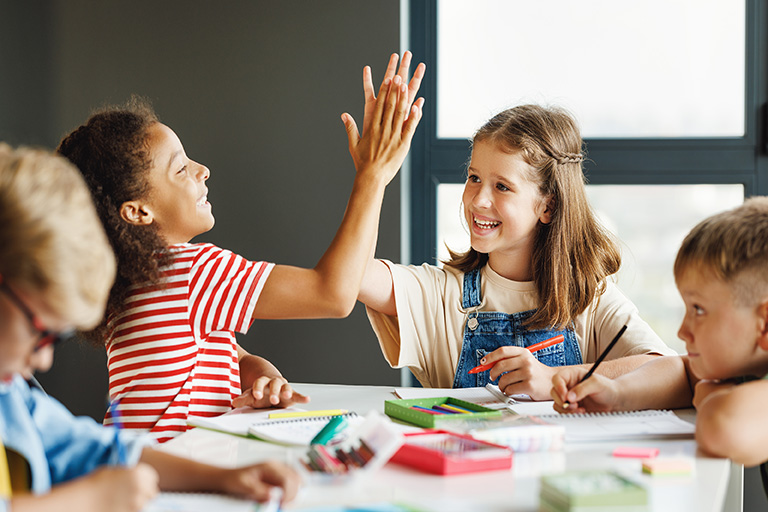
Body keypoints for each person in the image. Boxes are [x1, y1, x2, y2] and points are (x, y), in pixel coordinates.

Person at [57, 52, 425, 442]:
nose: (203, 170)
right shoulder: (187, 272)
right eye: (181, 169)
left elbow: (230, 356)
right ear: (137, 211)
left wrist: (264, 377)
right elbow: (332, 294)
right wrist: (373, 175)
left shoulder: (141, 282)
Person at [0, 144, 300, 511]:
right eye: (40, 332)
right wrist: (90, 500)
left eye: (55, 340)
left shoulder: (12, 397)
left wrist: (223, 478)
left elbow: (101, 450)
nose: (44, 360)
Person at [360, 104, 674, 399]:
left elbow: (668, 370)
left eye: (502, 186)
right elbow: (352, 276)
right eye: (474, 178)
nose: (478, 200)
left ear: (547, 206)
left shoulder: (587, 298)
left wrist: (557, 378)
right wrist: (372, 176)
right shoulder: (440, 296)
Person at [551, 197, 768, 466]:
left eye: (699, 309)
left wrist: (709, 396)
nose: (683, 332)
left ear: (764, 324)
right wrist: (617, 394)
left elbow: (725, 428)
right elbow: (682, 372)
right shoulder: (745, 364)